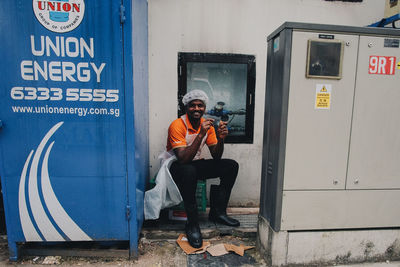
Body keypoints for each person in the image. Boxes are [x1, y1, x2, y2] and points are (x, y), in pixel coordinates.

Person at [167, 89, 240, 248]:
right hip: (175, 167)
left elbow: (216, 156)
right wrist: (200, 134)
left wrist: (221, 140)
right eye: (192, 105)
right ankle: (192, 224)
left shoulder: (208, 125)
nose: (197, 109)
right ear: (186, 108)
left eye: (200, 105)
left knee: (231, 166)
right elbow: (183, 159)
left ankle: (218, 212)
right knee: (189, 170)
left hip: (194, 164)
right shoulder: (177, 125)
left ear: (205, 108)